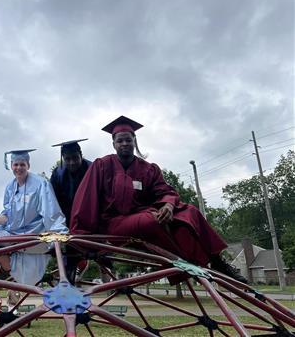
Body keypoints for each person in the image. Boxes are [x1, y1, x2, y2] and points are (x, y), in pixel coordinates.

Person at [69, 115, 247, 283]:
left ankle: (217, 260)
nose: (124, 144)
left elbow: (165, 190)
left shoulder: (148, 169)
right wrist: (84, 238)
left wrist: (168, 205)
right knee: (153, 220)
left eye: (128, 140)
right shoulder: (102, 165)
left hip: (142, 214)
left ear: (134, 141)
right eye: (120, 140)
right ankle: (182, 263)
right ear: (113, 144)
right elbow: (87, 199)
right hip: (114, 222)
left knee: (189, 212)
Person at [0, 149, 68, 285]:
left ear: (28, 165)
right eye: (15, 165)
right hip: (13, 234)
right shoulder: (10, 187)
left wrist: (58, 233)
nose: (19, 168)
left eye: (22, 164)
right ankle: (8, 267)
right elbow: (7, 215)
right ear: (11, 166)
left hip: (34, 235)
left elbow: (50, 210)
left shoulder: (41, 183)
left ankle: (26, 275)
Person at [50, 139, 92, 281]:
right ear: (63, 158)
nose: (72, 162)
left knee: (97, 249)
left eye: (75, 157)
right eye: (67, 159)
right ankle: (72, 271)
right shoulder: (58, 173)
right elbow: (53, 200)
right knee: (69, 249)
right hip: (67, 216)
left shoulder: (92, 169)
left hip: (89, 215)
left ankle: (103, 267)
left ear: (81, 154)